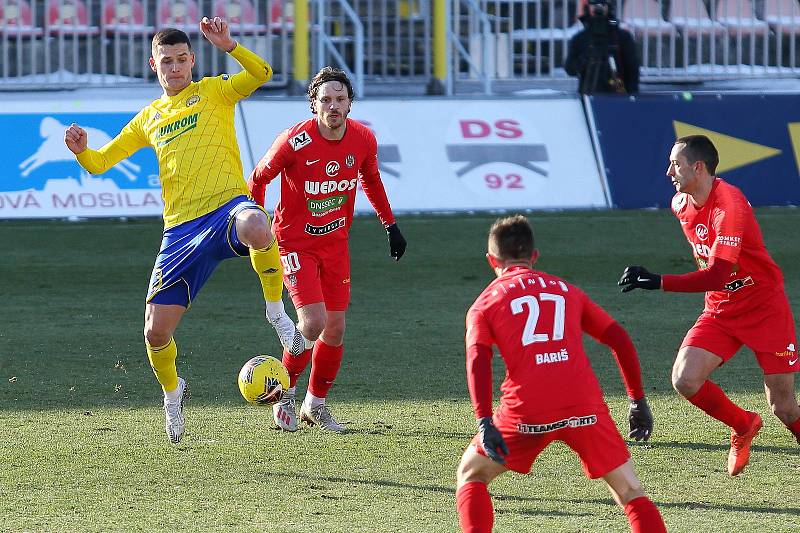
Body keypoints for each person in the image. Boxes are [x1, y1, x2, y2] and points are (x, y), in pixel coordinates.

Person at [64, 18, 306, 444]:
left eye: (181, 59)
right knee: (155, 332)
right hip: (179, 231)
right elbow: (102, 162)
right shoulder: (148, 118)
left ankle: (276, 312)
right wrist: (83, 152)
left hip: (227, 207)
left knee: (256, 223)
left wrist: (230, 45)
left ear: (192, 60)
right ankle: (173, 393)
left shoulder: (215, 90)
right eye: (166, 61)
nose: (174, 67)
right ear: (153, 66)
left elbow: (262, 74)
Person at [457, 215, 665, 533]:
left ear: (491, 260)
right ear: (534, 256)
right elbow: (619, 339)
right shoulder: (567, 290)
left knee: (471, 474)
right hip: (582, 403)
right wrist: (637, 400)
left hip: (527, 407)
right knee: (629, 490)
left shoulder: (484, 303)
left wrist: (485, 421)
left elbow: (477, 358)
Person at [618, 135, 800, 476]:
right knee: (684, 379)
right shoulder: (680, 204)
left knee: (784, 407)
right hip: (721, 309)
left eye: (676, 164)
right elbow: (714, 275)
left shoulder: (728, 205)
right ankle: (743, 425)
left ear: (697, 167)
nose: (668, 171)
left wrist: (659, 281)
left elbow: (717, 274)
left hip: (764, 307)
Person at [247, 66, 407, 433]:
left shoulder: (364, 138)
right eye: (326, 99)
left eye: (340, 98)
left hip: (335, 244)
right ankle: (281, 392)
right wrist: (256, 225)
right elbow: (259, 178)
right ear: (313, 104)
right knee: (314, 322)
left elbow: (371, 179)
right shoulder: (294, 140)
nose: (333, 105)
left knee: (334, 329)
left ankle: (314, 405)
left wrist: (391, 225)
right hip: (294, 242)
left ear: (350, 103)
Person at [564, 0, 640, 95]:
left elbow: (632, 70)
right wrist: (585, 58)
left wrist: (632, 95)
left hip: (618, 95)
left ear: (608, 7)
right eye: (594, 4)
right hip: (588, 96)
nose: (598, 8)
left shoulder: (622, 37)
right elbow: (570, 70)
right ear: (588, 7)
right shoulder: (580, 39)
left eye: (602, 4)